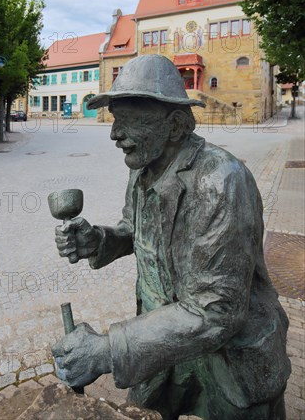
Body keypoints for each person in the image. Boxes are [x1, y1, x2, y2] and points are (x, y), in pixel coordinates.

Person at [52, 55, 291, 420]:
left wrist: (107, 350)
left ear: (176, 125)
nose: (115, 135)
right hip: (161, 346)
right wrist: (99, 240)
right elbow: (133, 230)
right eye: (116, 119)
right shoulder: (143, 167)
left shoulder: (222, 180)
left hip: (228, 362)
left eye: (130, 121)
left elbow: (217, 309)